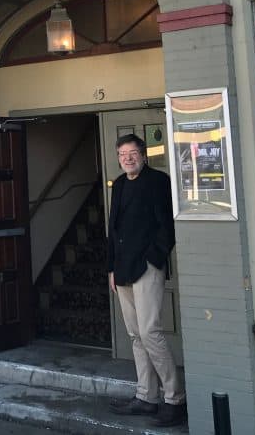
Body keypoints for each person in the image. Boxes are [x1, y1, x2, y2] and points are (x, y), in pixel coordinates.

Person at [106, 133, 187, 428]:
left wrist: (154, 258)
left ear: (143, 154)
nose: (127, 158)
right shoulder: (119, 184)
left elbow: (167, 225)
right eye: (122, 154)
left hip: (146, 267)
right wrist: (111, 269)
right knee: (135, 335)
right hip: (122, 269)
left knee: (151, 332)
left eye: (132, 153)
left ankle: (174, 398)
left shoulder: (157, 181)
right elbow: (113, 229)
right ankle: (146, 396)